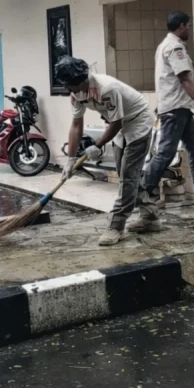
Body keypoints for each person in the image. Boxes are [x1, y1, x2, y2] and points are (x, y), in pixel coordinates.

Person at [55, 56, 158, 246]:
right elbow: (76, 125)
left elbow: (116, 122)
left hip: (138, 122)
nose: (69, 89)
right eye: (66, 85)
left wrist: (97, 145)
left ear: (82, 79)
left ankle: (115, 226)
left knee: (128, 176)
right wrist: (70, 159)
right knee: (126, 175)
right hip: (118, 126)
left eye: (70, 85)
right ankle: (150, 216)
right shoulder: (75, 94)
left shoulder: (107, 88)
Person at [138, 12, 194, 214]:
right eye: (188, 26)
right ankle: (144, 191)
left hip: (179, 108)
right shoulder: (175, 47)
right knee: (166, 153)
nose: (189, 29)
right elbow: (184, 79)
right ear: (181, 26)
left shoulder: (164, 45)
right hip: (175, 109)